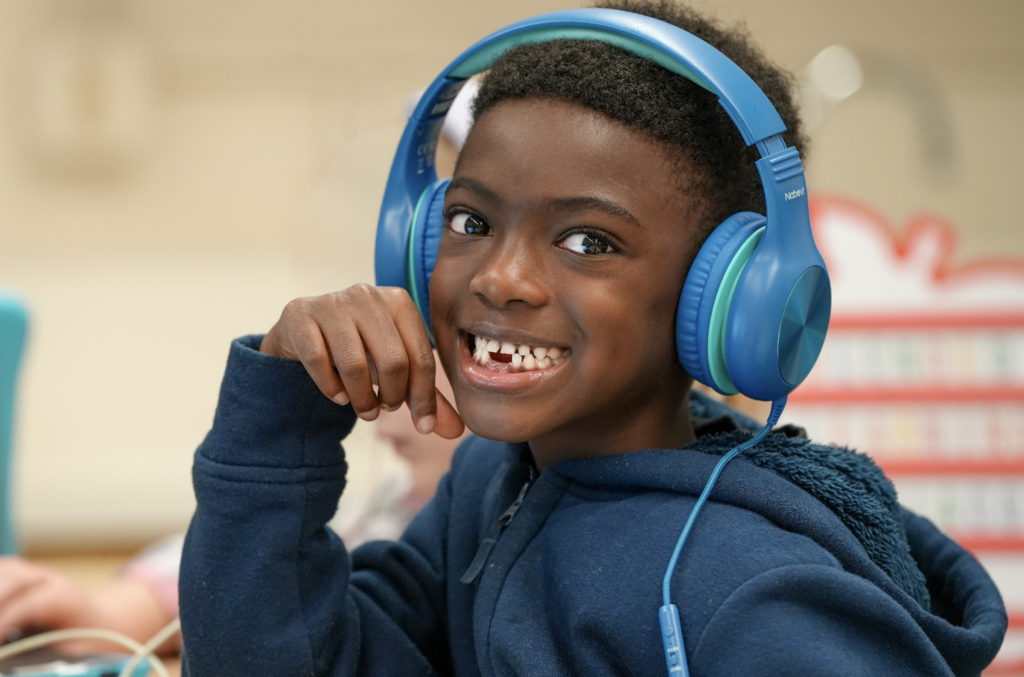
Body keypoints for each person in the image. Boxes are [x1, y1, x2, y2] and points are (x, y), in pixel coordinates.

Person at [179, 2, 1007, 676]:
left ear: (726, 298)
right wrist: (282, 412)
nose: (501, 278)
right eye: (471, 221)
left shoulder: (755, 593)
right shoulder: (491, 487)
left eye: (588, 242)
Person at [0, 367, 465, 656]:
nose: (380, 425)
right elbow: (256, 565)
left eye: (427, 361)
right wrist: (113, 613)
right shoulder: (399, 501)